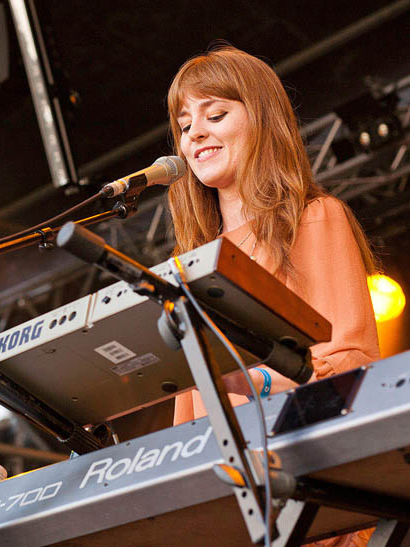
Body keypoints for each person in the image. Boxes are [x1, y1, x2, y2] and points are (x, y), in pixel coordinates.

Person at [164, 45, 380, 546]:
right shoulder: (190, 267)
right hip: (224, 515)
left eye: (215, 113)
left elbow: (350, 365)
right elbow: (185, 425)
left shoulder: (314, 218)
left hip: (309, 498)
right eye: (183, 124)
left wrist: (245, 379)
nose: (194, 132)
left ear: (261, 119)